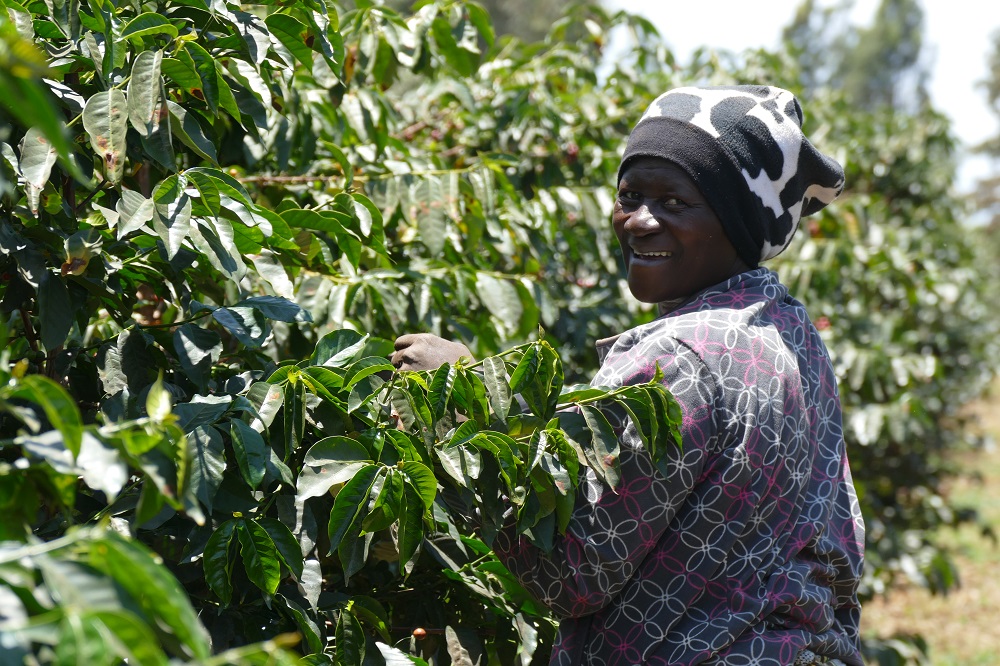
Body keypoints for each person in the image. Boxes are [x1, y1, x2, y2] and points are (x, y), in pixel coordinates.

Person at [392, 85, 865, 666]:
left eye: (675, 202)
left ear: (736, 223)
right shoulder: (789, 332)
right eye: (630, 196)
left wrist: (464, 399)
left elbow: (569, 572)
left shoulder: (682, 360)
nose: (639, 221)